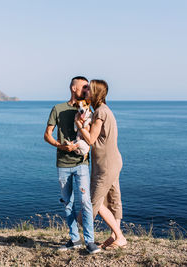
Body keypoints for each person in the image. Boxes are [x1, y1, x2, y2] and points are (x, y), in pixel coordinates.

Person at [44, 76, 101, 254]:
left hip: (82, 163)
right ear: (74, 88)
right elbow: (47, 135)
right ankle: (74, 238)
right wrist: (61, 146)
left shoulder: (88, 108)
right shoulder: (58, 109)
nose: (87, 89)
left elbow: (91, 135)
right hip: (62, 163)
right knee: (68, 203)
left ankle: (90, 241)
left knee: (85, 202)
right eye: (84, 87)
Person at [75, 79, 127, 249]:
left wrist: (78, 124)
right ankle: (114, 237)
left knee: (93, 201)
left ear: (96, 93)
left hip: (105, 164)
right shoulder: (105, 110)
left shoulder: (100, 113)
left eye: (89, 89)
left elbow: (90, 139)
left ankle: (119, 236)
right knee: (113, 199)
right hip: (112, 161)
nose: (85, 92)